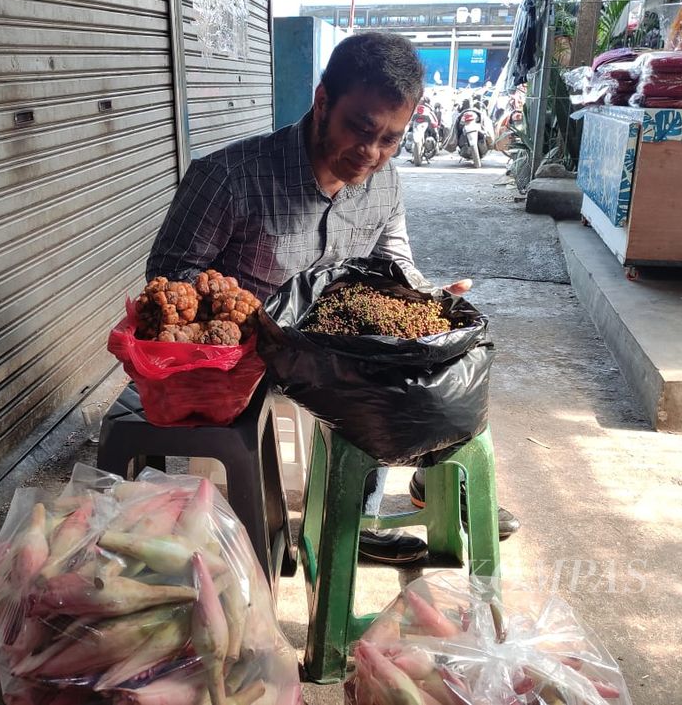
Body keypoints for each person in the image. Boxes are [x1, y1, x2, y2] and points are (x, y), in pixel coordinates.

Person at [147, 32, 518, 563]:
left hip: (340, 349)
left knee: (446, 371)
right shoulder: (227, 178)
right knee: (371, 391)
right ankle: (288, 523)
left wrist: (427, 297)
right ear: (323, 102)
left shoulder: (384, 184)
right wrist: (233, 316)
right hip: (253, 360)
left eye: (391, 139)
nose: (371, 153)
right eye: (360, 129)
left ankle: (374, 506)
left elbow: (396, 261)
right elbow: (167, 280)